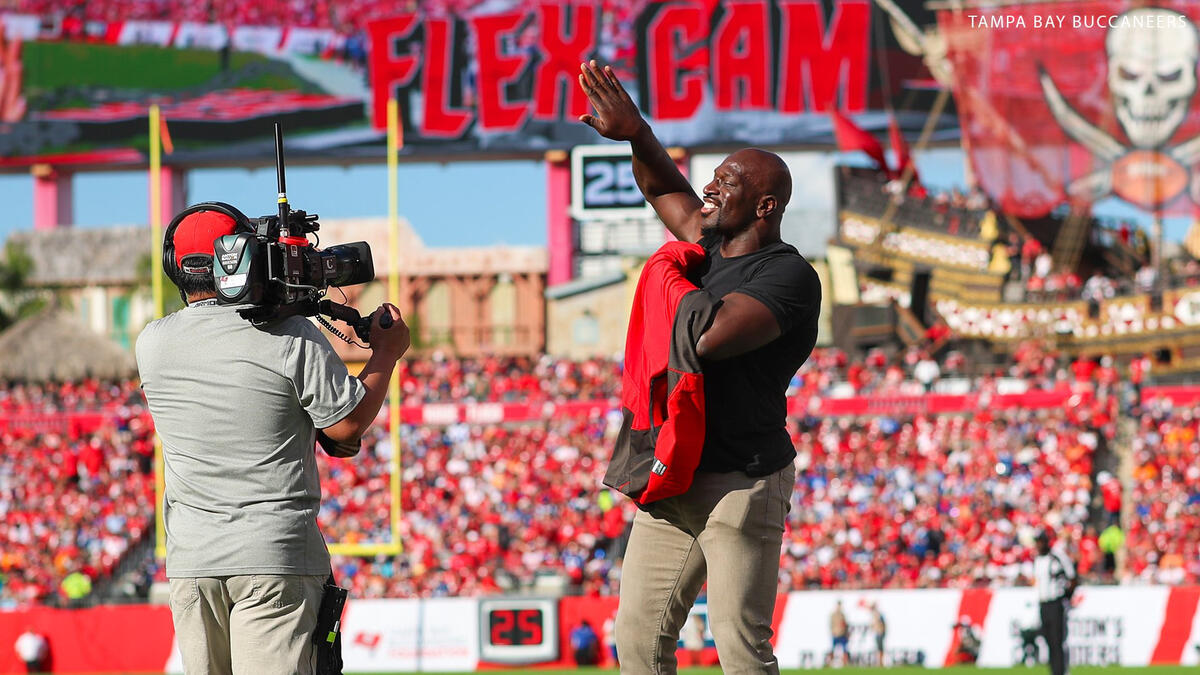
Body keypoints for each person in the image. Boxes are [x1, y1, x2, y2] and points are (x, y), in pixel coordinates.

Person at [578, 60, 820, 674]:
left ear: (765, 206)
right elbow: (665, 189)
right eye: (712, 178)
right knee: (637, 642)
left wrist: (663, 273)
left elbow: (708, 336)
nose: (709, 189)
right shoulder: (704, 246)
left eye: (726, 182)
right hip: (674, 475)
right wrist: (637, 135)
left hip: (741, 480)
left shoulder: (788, 275)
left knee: (740, 649)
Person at [136, 205, 411, 675]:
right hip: (273, 555)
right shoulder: (289, 335)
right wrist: (386, 353)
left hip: (193, 562)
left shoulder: (152, 342)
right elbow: (344, 431)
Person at [1034, 529, 1077, 675]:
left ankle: (1061, 671)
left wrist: (1066, 597)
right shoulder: (1038, 559)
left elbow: (1072, 577)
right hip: (1043, 604)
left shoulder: (1057, 556)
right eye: (1037, 542)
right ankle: (1054, 671)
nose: (1038, 545)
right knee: (1048, 640)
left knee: (1057, 639)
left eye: (1040, 542)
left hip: (1056, 603)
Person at [828, 600, 849, 667]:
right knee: (832, 649)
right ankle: (830, 663)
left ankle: (845, 663)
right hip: (836, 634)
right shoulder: (833, 614)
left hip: (842, 634)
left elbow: (845, 625)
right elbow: (831, 624)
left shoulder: (842, 615)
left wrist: (846, 633)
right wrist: (833, 631)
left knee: (845, 649)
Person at [869, 602, 887, 667]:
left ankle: (881, 662)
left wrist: (882, 631)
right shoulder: (875, 614)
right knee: (878, 648)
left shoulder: (878, 614)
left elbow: (882, 624)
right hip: (877, 633)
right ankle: (879, 662)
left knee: (880, 648)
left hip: (879, 633)